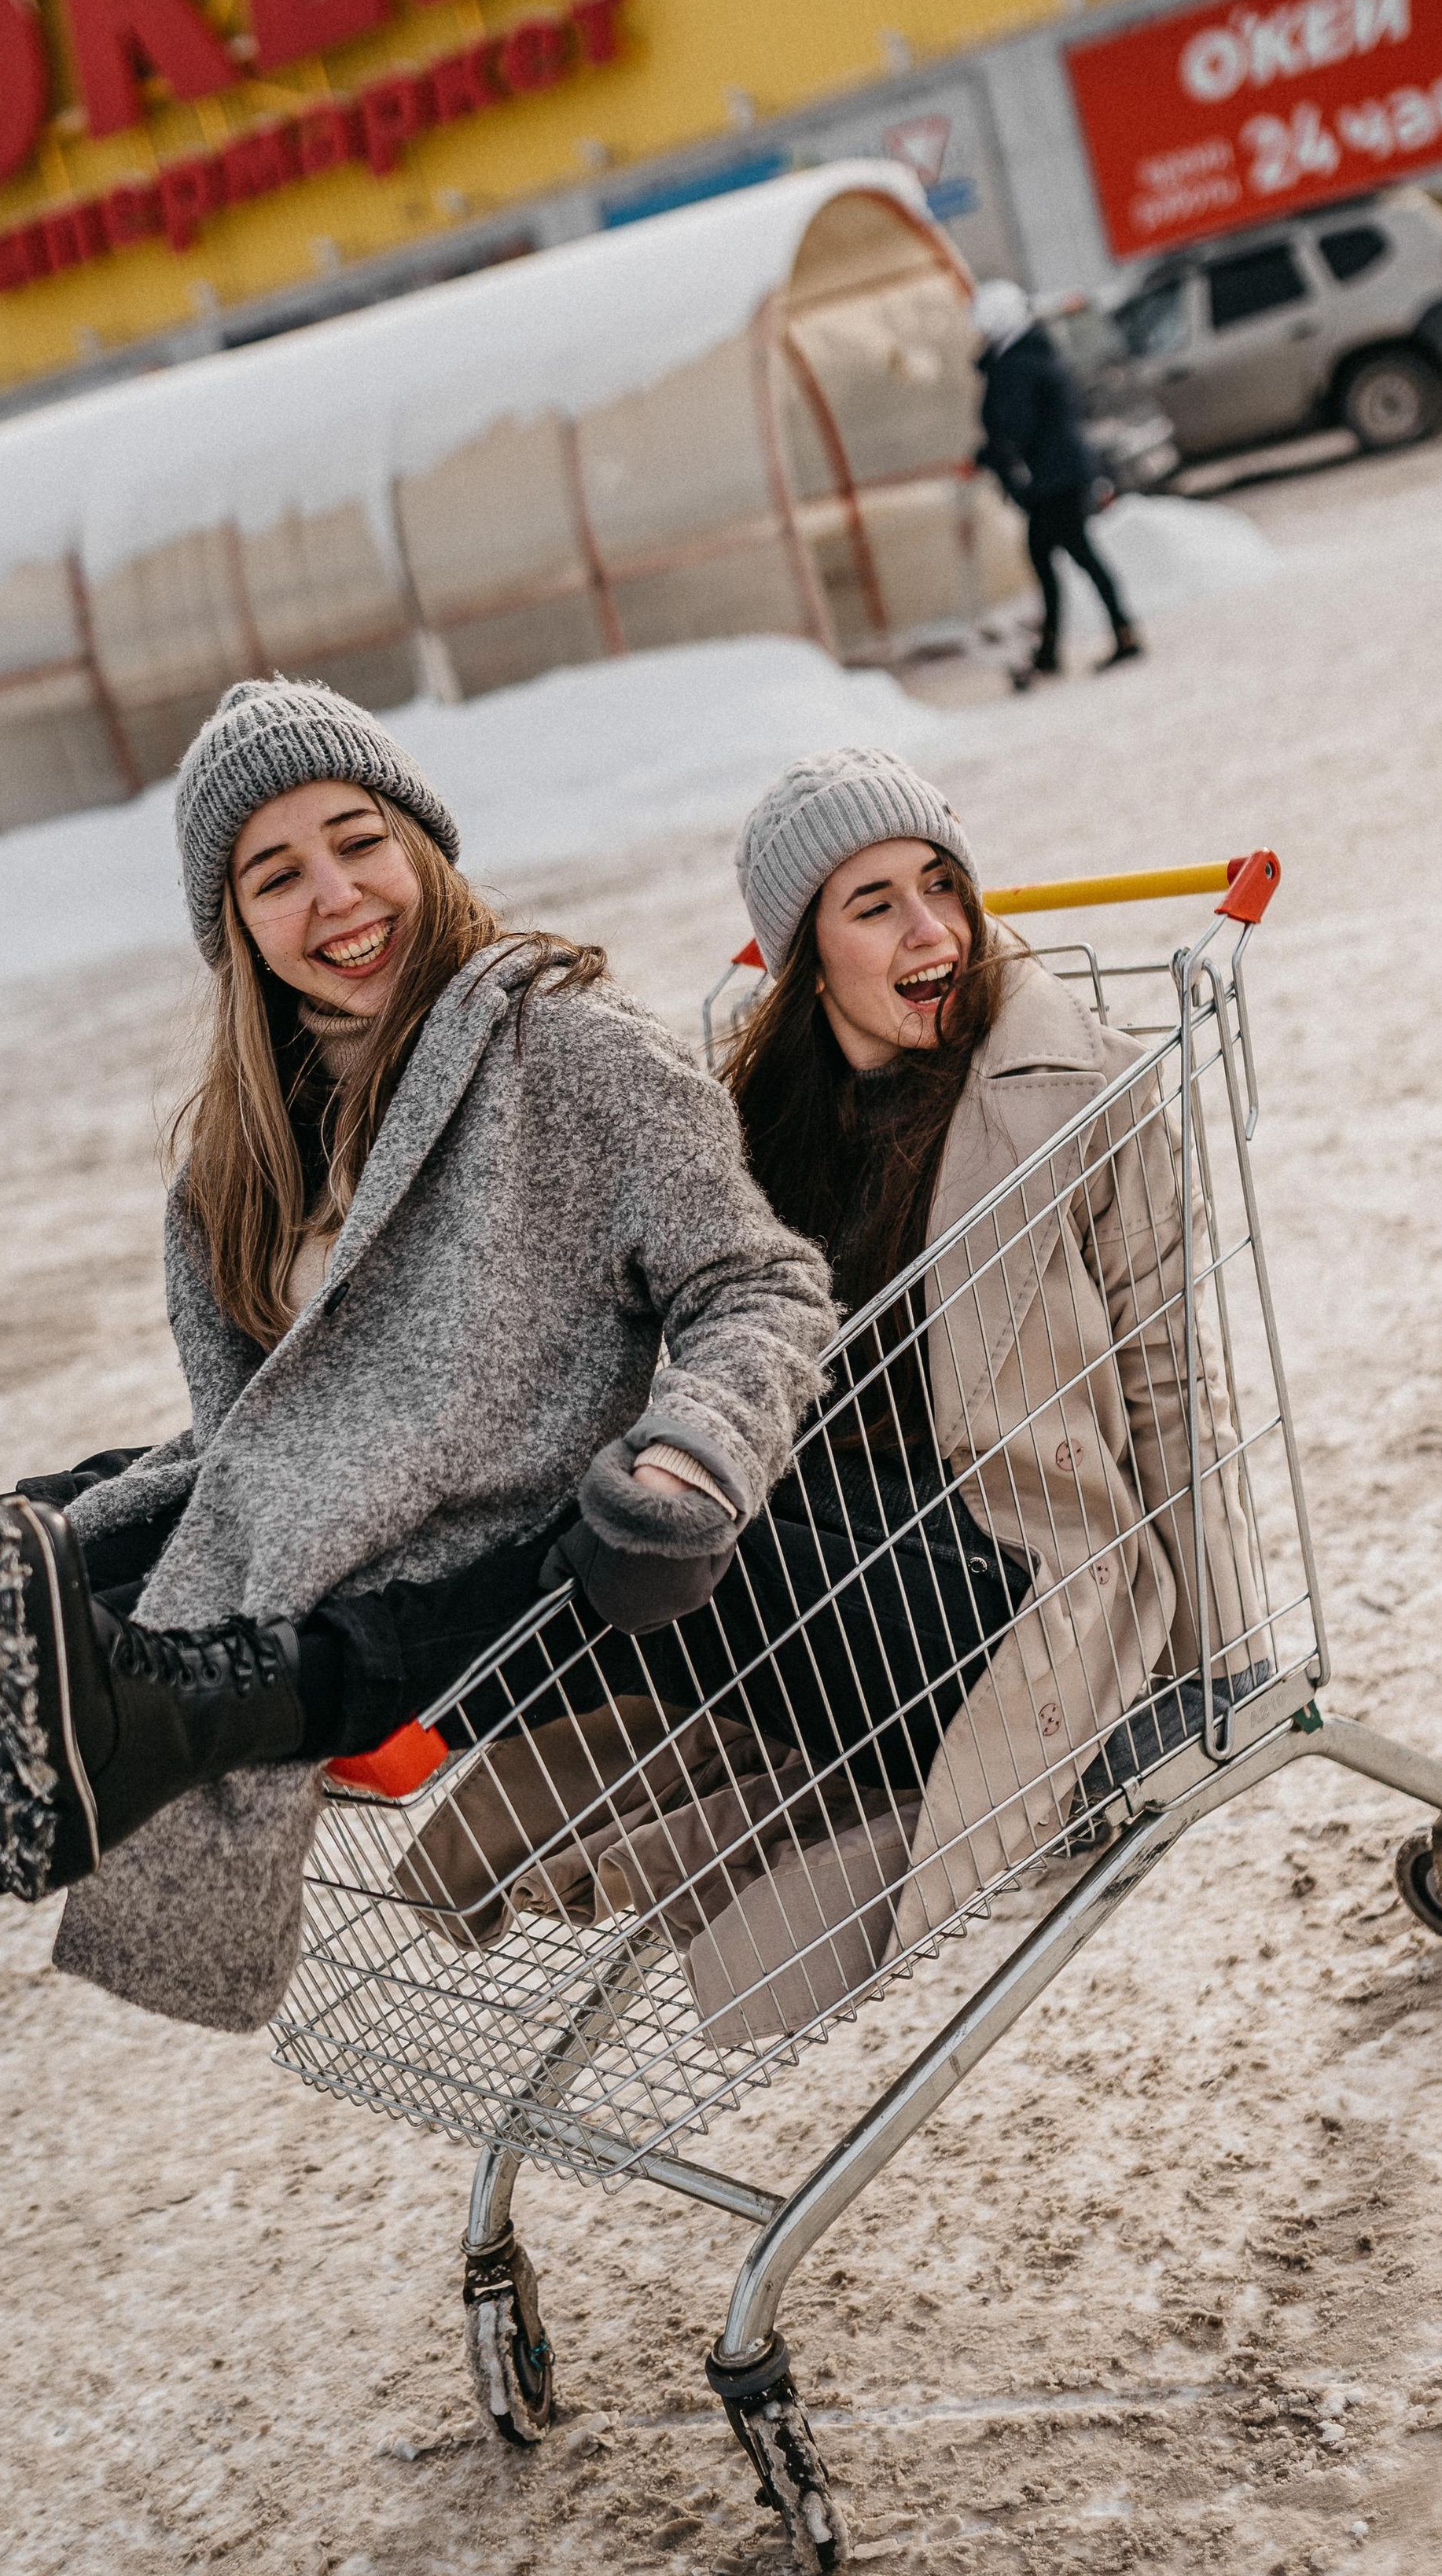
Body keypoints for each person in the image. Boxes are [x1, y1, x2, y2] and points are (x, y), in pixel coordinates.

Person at [0, 680, 837, 2486]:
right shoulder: (268, 1131)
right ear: (234, 930)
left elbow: (755, 1284)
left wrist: (685, 1453)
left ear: (421, 842)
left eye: (355, 838)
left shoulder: (572, 1054)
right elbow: (246, 1460)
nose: (331, 893)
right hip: (277, 1587)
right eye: (272, 873)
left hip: (487, 1613)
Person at [402, 746, 1261, 2025]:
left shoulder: (1084, 1100)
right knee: (590, 1488)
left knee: (675, 1541)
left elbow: (1168, 1381)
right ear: (809, 960)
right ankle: (360, 1664)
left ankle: (380, 1686)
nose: (935, 931)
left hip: (1003, 1593)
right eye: (876, 906)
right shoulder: (754, 1136)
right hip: (838, 1578)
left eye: (943, 887)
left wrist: (1220, 1664)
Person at [974, 277, 1143, 678]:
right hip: (1061, 473)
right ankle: (1082, 642)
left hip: (1054, 478)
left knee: (1069, 554)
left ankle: (1101, 639)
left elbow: (1014, 424)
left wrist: (990, 455)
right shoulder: (1033, 353)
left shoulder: (1016, 363)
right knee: (1057, 555)